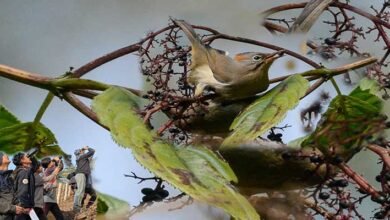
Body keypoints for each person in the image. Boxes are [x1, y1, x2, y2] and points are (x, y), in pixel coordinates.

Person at [0, 152, 26, 220]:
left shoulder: (9, 177)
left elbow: (12, 195)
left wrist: (21, 207)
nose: (7, 155)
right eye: (3, 154)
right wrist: (13, 208)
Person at [12, 152, 35, 220]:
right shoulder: (23, 172)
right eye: (26, 156)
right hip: (23, 207)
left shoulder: (17, 171)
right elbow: (22, 191)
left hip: (19, 205)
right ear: (22, 160)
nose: (29, 156)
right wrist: (25, 207)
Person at [73, 146, 95, 212]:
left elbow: (91, 154)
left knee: (81, 191)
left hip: (81, 175)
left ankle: (78, 206)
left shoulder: (81, 158)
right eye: (81, 151)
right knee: (80, 191)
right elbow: (92, 151)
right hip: (81, 175)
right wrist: (86, 148)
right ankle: (76, 206)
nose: (83, 151)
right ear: (80, 152)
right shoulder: (82, 157)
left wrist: (83, 150)